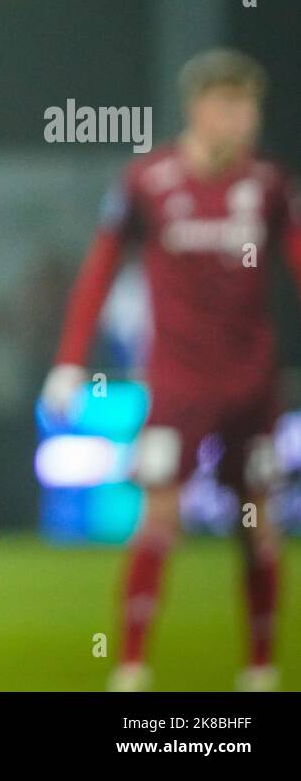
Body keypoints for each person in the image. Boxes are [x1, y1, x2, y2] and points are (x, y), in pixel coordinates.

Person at [41, 48, 301, 691]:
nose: (239, 117)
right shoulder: (148, 181)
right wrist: (70, 361)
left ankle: (262, 668)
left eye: (248, 104)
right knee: (160, 516)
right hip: (178, 384)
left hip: (252, 385)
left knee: (257, 522)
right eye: (227, 102)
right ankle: (131, 666)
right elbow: (100, 267)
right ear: (197, 108)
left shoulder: (268, 185)